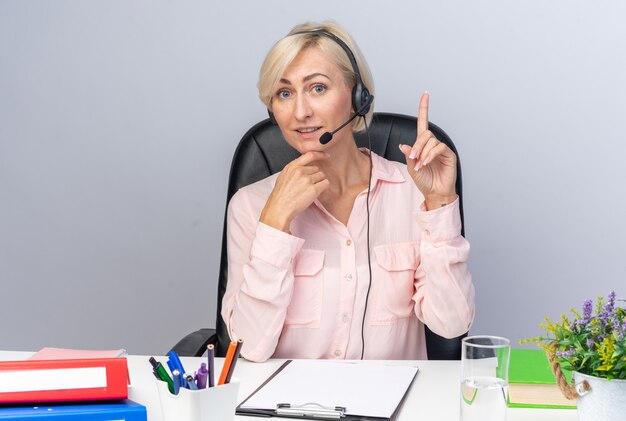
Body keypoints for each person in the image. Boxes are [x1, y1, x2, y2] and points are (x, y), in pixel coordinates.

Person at [221, 21, 475, 362]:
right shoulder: (251, 206)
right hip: (288, 409)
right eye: (284, 93)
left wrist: (440, 203)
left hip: (393, 408)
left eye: (318, 88)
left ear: (358, 97)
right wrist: (274, 224)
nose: (300, 112)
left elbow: (452, 324)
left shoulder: (412, 195)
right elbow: (247, 348)